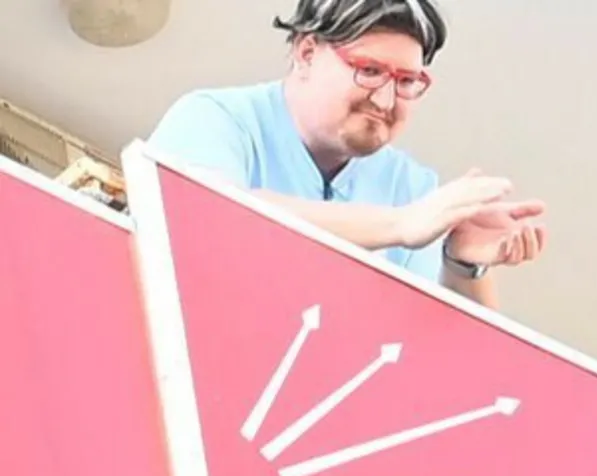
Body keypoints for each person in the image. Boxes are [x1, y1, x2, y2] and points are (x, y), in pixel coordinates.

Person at [146, 0, 545, 309]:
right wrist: (401, 224)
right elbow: (208, 212)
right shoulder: (216, 118)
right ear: (306, 53)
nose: (386, 100)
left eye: (406, 81)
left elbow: (449, 356)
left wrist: (463, 265)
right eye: (369, 71)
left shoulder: (412, 186)